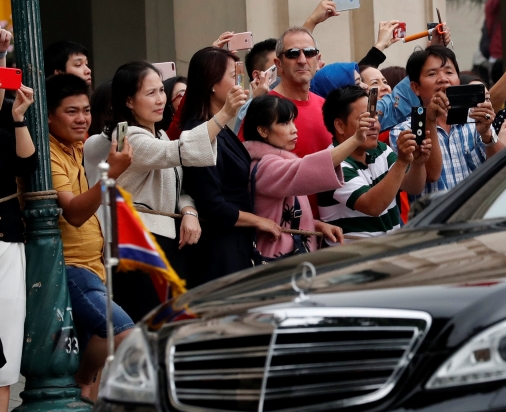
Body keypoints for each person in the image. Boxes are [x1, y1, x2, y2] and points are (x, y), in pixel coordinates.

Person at [107, 61, 240, 319]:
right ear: (129, 102)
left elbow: (179, 186)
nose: (160, 99)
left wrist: (189, 210)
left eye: (161, 90)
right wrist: (223, 115)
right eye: (150, 93)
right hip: (138, 245)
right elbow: (176, 153)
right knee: (148, 325)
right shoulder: (127, 138)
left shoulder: (159, 135)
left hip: (167, 242)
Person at [47, 73, 133, 401]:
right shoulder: (50, 154)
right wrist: (111, 173)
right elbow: (74, 212)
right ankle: (81, 383)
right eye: (71, 112)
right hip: (70, 268)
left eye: (86, 110)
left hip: (92, 267)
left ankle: (85, 392)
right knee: (121, 332)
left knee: (105, 343)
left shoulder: (76, 146)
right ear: (49, 115)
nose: (82, 118)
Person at [180, 47, 268, 288]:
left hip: (235, 240)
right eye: (233, 76)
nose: (239, 84)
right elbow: (212, 204)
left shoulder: (220, 127)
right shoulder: (198, 131)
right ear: (211, 83)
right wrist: (259, 221)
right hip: (218, 247)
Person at [0, 29, 37, 412]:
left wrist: (18, 116)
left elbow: (26, 166)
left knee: (5, 365)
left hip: (8, 238)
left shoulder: (5, 110)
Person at [242, 95, 346, 258]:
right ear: (262, 130)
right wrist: (356, 140)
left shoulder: (273, 160)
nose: (294, 129)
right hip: (277, 259)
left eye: (292, 121)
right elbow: (306, 171)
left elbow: (286, 218)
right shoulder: (264, 166)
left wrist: (315, 226)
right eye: (284, 123)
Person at [390, 46, 499, 196]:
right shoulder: (405, 131)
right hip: (436, 217)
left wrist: (487, 134)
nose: (443, 79)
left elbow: (503, 165)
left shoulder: (475, 118)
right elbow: (432, 176)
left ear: (458, 80)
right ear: (416, 87)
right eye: (432, 73)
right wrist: (430, 119)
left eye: (449, 72)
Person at [321, 86, 425, 237]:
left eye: (375, 116)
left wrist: (418, 162)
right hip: (355, 257)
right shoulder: (333, 163)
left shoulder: (381, 149)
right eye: (365, 118)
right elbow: (373, 206)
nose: (375, 125)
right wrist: (402, 162)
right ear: (339, 126)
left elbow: (414, 187)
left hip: (389, 249)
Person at [270, 27, 332, 161]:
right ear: (278, 64)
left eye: (309, 52)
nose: (302, 60)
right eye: (293, 53)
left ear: (318, 60)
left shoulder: (327, 107)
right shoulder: (263, 108)